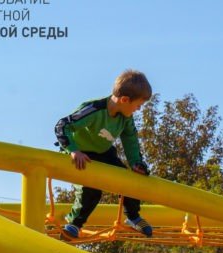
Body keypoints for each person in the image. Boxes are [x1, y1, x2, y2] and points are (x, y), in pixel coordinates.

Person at [54, 69, 154, 240]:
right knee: (91, 190)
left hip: (103, 151)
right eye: (138, 105)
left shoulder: (125, 117)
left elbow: (130, 139)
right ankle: (74, 224)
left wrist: (136, 162)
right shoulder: (94, 110)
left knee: (127, 179)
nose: (138, 109)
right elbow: (62, 126)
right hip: (81, 151)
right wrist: (73, 150)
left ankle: (133, 216)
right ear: (124, 100)